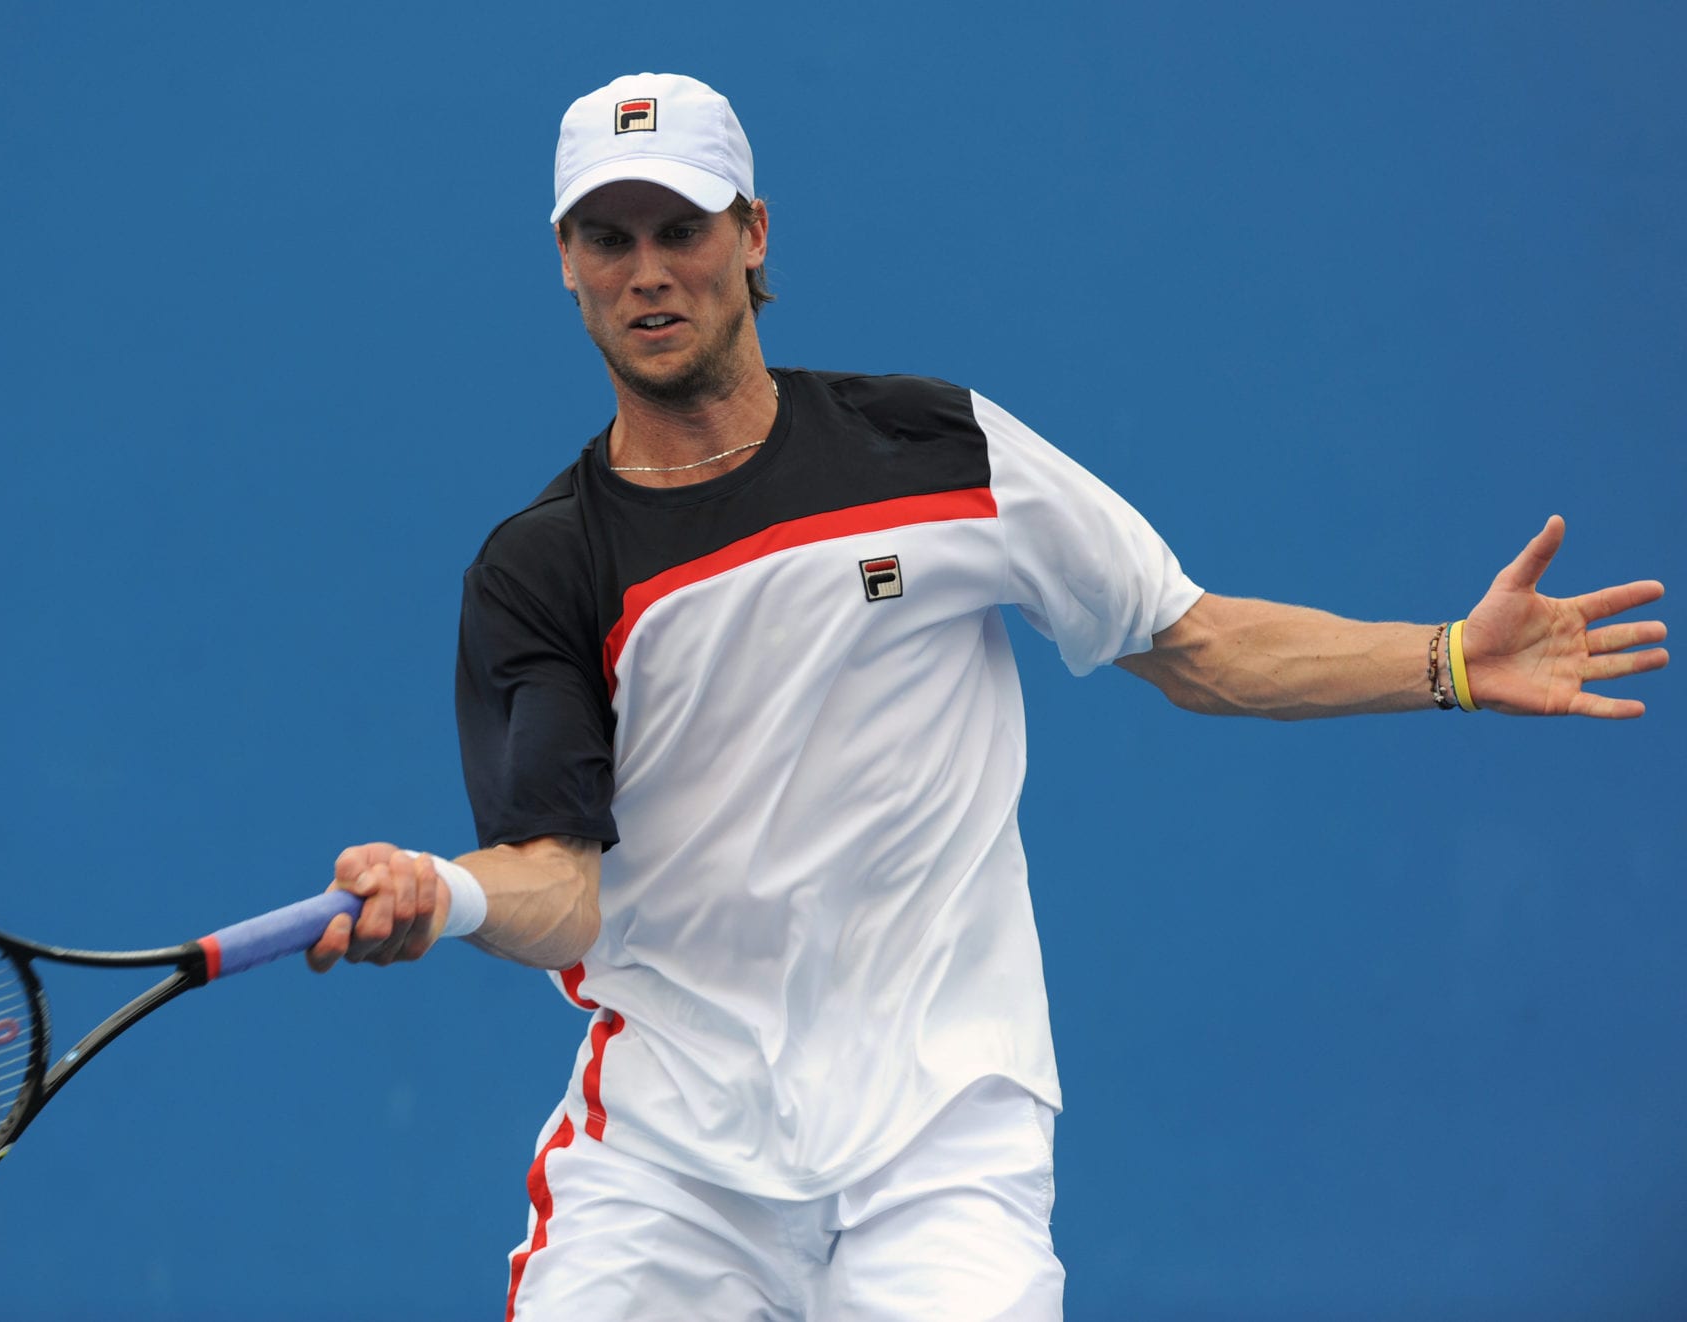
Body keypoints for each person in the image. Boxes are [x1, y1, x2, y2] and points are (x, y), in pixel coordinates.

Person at [303, 73, 1668, 1320]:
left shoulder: (937, 446)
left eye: (683, 227)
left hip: (942, 1131)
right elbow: (565, 882)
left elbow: (1188, 639)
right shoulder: (539, 568)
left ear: (754, 234)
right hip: (671, 1155)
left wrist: (1445, 659)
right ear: (567, 264)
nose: (650, 271)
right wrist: (449, 889)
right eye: (612, 238)